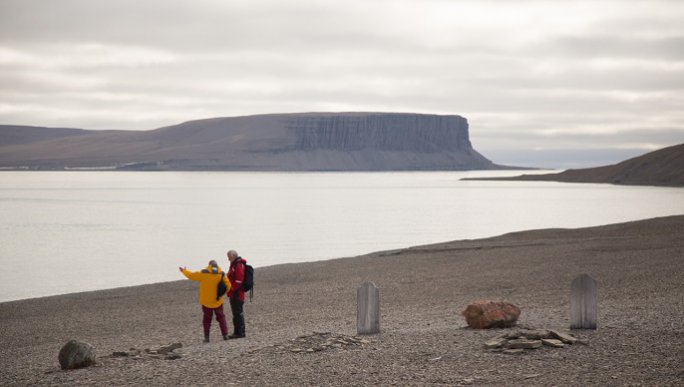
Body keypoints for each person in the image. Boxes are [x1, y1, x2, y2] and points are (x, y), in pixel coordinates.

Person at [179, 260, 232, 342]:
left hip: (206, 301)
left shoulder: (204, 273)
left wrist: (184, 271)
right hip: (217, 300)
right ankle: (225, 335)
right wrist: (222, 294)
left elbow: (191, 275)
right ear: (217, 266)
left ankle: (207, 338)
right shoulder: (221, 274)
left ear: (209, 265)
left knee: (207, 319)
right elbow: (228, 286)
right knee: (221, 317)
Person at [226, 249, 247, 339]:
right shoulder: (235, 264)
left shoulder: (238, 265)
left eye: (229, 257)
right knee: (237, 313)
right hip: (235, 293)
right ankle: (239, 332)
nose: (228, 259)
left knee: (237, 313)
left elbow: (239, 280)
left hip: (237, 294)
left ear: (233, 256)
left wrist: (232, 289)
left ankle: (239, 333)